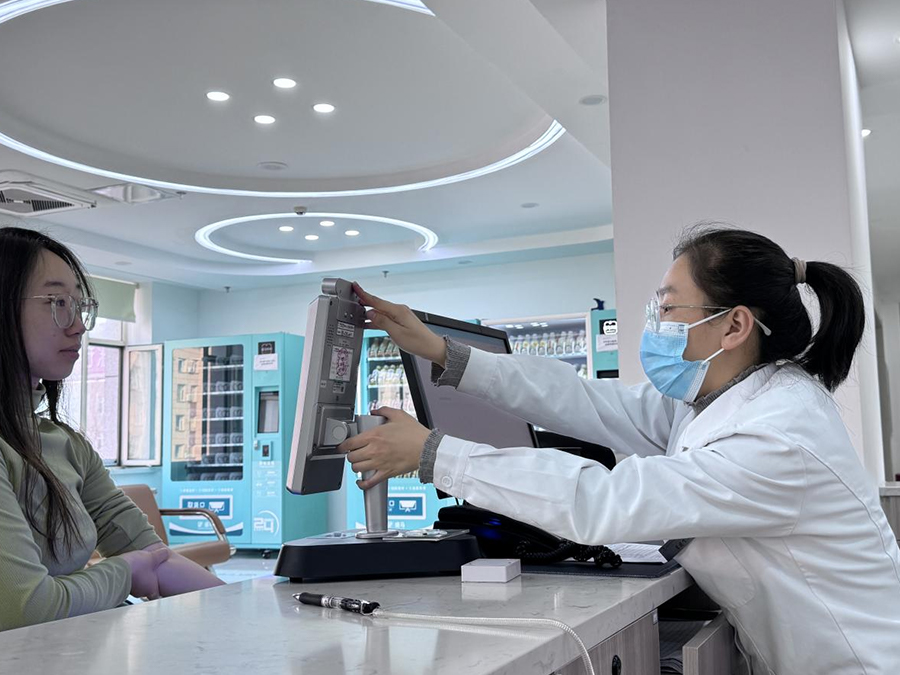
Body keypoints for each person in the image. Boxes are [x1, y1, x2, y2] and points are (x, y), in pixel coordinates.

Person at [341, 226, 900, 675]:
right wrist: (444, 352)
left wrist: (435, 454)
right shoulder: (723, 400)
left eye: (669, 310)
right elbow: (587, 401)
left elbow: (602, 502)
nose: (656, 326)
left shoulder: (774, 435)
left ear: (734, 325)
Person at [0, 227, 224, 632]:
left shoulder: (66, 444)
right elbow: (27, 609)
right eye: (57, 303)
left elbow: (154, 556)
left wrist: (252, 613)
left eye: (79, 306)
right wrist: (124, 572)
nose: (78, 326)